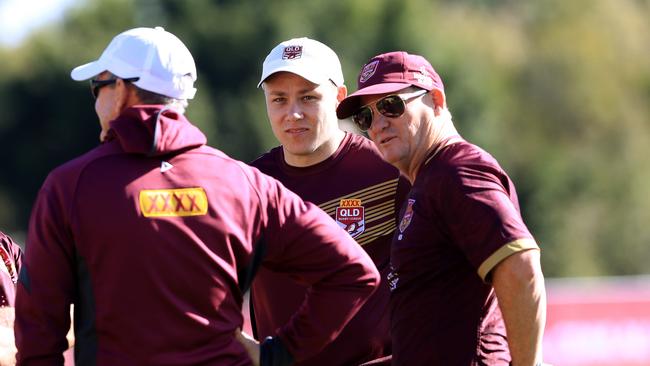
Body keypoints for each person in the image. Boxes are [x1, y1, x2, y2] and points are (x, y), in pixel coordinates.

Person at [14, 27, 380, 366]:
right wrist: (277, 355)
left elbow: (38, 331)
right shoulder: (243, 182)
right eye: (279, 98)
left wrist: (277, 354)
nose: (96, 101)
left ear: (123, 90)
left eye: (99, 86)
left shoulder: (69, 186)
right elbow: (354, 271)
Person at [336, 51, 547, 366]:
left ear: (435, 100)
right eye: (365, 118)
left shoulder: (458, 170)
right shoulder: (430, 178)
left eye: (391, 106)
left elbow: (520, 265)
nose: (378, 125)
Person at [248, 37, 408, 366]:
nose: (293, 113)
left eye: (308, 97)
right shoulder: (248, 185)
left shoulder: (388, 170)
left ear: (339, 98)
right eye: (279, 99)